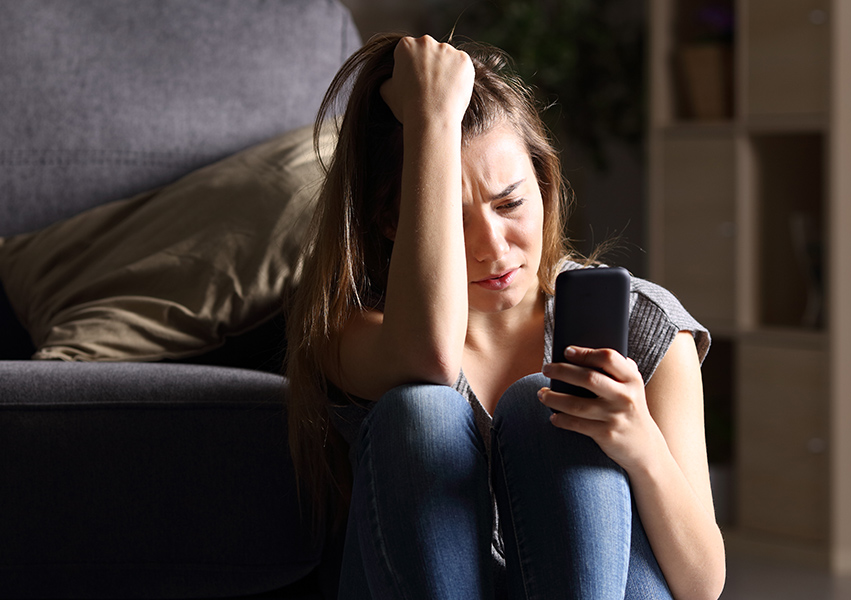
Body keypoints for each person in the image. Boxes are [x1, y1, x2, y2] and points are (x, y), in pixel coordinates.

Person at [286, 33, 726, 600]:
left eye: (511, 203)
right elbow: (429, 358)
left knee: (543, 406)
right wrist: (432, 121)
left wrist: (638, 442)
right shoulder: (350, 329)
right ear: (393, 220)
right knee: (421, 408)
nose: (492, 248)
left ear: (544, 184)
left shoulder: (642, 327)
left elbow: (702, 585)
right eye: (452, 216)